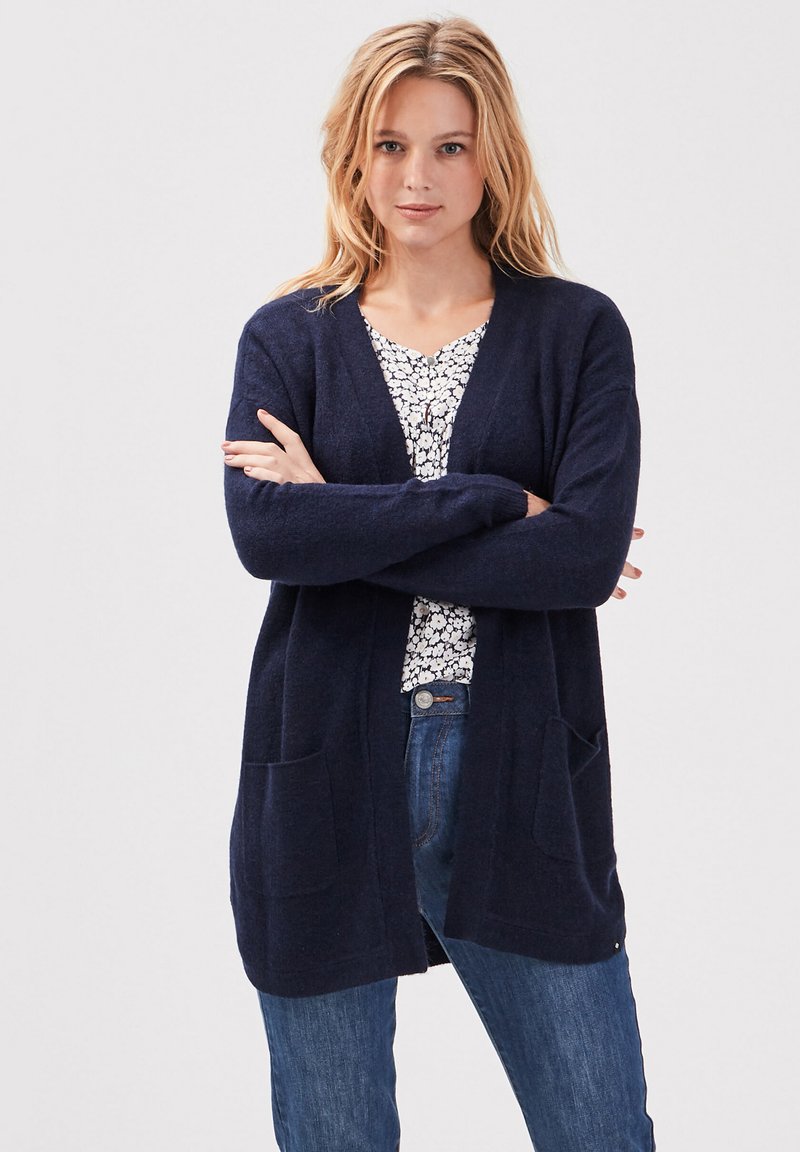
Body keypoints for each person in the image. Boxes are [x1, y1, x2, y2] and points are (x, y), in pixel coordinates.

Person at [220, 15, 655, 1152]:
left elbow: (580, 560)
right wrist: (497, 501)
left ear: (491, 155)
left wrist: (339, 513)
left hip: (520, 765)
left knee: (600, 1129)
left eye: (450, 146)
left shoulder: (577, 333)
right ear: (353, 155)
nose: (418, 176)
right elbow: (267, 536)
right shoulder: (287, 339)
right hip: (323, 768)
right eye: (391, 144)